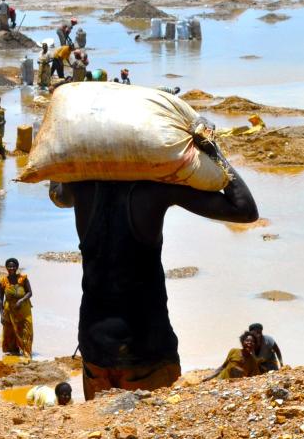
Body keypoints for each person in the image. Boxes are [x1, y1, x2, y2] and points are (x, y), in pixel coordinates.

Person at [47, 144, 258, 401]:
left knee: (103, 434)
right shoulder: (155, 188)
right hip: (147, 349)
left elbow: (56, 194)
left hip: (94, 349)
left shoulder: (80, 187)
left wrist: (55, 152)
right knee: (149, 435)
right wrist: (212, 151)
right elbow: (245, 210)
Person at [0, 257, 33, 358]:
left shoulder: (23, 279)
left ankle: (27, 352)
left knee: (26, 330)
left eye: (13, 266)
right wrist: (1, 314)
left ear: (17, 267)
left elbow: (30, 293)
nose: (11, 268)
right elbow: (0, 299)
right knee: (10, 331)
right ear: (6, 268)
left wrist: (21, 300)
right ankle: (14, 352)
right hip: (9, 310)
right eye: (9, 266)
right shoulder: (3, 281)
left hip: (23, 309)